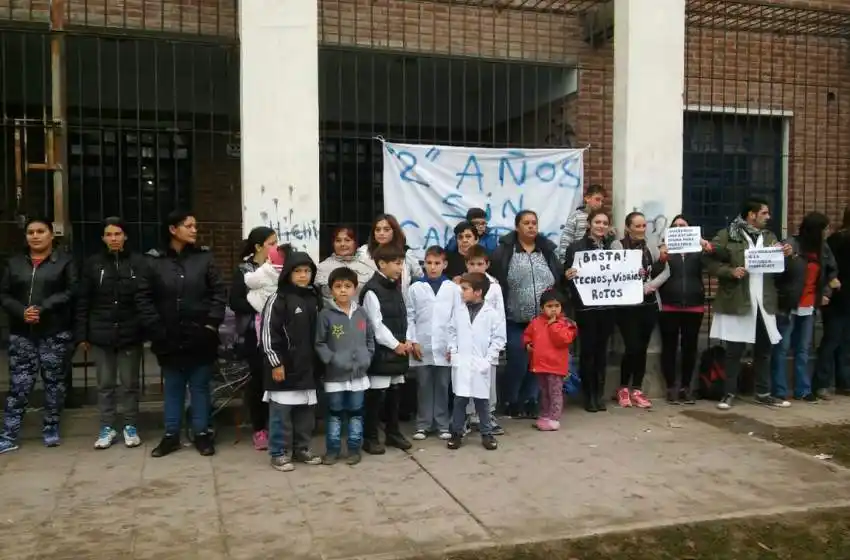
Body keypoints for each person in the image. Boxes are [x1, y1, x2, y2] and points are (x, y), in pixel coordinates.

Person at [136, 211, 226, 457]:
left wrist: (211, 325)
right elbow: (143, 298)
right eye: (189, 226)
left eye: (195, 225)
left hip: (201, 334)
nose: (194, 230)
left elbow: (219, 293)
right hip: (167, 335)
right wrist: (156, 329)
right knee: (173, 387)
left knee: (200, 387)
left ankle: (202, 434)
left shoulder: (204, 258)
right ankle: (171, 436)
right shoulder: (153, 261)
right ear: (173, 229)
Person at [705, 197, 793, 410]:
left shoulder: (769, 236)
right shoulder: (728, 235)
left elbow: (778, 267)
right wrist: (729, 271)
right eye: (764, 213)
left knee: (763, 349)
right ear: (751, 215)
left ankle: (763, 393)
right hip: (738, 299)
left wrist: (786, 255)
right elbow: (709, 260)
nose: (768, 217)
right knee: (734, 350)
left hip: (763, 301)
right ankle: (728, 393)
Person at [0, 218, 76, 454]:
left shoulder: (64, 262)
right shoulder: (14, 263)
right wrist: (21, 311)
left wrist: (42, 308)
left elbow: (71, 291)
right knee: (19, 386)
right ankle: (9, 435)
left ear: (51, 235)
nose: (35, 236)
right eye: (31, 232)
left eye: (40, 231)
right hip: (22, 333)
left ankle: (51, 428)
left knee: (54, 384)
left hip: (54, 332)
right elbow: (4, 294)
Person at [75, 217, 147, 450]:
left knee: (129, 384)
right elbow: (83, 300)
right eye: (109, 234)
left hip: (130, 332)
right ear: (103, 238)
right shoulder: (93, 264)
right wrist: (82, 334)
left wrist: (145, 328)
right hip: (101, 333)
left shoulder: (138, 263)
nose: (113, 238)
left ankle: (130, 425)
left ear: (125, 236)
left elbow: (144, 298)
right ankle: (107, 426)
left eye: (118, 234)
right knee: (105, 384)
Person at [491, 210, 562, 418]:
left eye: (534, 223)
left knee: (538, 361)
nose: (531, 226)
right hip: (515, 318)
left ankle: (531, 400)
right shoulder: (505, 252)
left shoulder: (547, 251)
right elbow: (494, 279)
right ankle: (510, 400)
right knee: (518, 360)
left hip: (542, 320)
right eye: (526, 223)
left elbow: (557, 278)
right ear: (517, 227)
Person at [260, 251, 324, 472]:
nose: (303, 275)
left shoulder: (315, 298)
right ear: (288, 273)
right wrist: (276, 363)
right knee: (281, 414)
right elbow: (268, 334)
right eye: (297, 271)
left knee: (305, 414)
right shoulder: (278, 299)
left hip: (308, 367)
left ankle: (301, 448)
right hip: (284, 367)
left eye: (307, 271)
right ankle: (278, 452)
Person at [228, 226, 285, 451]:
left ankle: (278, 426)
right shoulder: (244, 270)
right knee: (258, 381)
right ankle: (260, 428)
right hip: (254, 334)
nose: (276, 247)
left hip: (278, 331)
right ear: (258, 246)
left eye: (277, 242)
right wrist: (261, 305)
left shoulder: (278, 267)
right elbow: (235, 301)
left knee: (278, 378)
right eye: (271, 243)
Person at [771, 212, 838, 402]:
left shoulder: (823, 248)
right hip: (789, 303)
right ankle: (779, 389)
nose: (827, 232)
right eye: (825, 228)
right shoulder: (791, 244)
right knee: (782, 347)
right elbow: (776, 271)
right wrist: (784, 255)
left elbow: (831, 271)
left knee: (803, 349)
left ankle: (803, 389)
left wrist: (826, 293)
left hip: (809, 305)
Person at [314, 266, 374, 466]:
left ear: (355, 289)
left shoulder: (361, 313)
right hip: (335, 376)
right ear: (331, 289)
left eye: (347, 286)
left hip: (359, 376)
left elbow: (370, 338)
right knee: (335, 414)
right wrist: (333, 359)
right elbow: (320, 343)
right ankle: (332, 450)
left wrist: (367, 357)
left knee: (356, 413)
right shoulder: (325, 314)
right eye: (338, 286)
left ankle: (354, 449)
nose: (343, 290)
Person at [564, 209, 621, 413]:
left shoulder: (612, 247)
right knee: (588, 351)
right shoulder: (575, 248)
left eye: (605, 223)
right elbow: (566, 276)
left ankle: (599, 394)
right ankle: (588, 395)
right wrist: (568, 275)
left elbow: (622, 273)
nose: (601, 226)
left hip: (607, 307)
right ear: (589, 224)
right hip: (586, 308)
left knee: (602, 352)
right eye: (597, 222)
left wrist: (635, 273)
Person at [360, 244, 413, 454]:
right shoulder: (372, 290)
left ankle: (393, 432)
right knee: (376, 396)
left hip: (398, 350)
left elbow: (403, 317)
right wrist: (395, 345)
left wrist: (406, 341)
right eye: (397, 263)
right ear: (382, 263)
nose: (401, 268)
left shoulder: (395, 287)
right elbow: (376, 325)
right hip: (381, 352)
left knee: (395, 393)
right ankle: (370, 437)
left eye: (402, 263)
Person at [614, 211, 670, 409]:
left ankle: (637, 389)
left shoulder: (651, 246)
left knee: (642, 348)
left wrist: (650, 286)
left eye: (643, 226)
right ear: (628, 227)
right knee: (632, 346)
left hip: (648, 304)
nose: (641, 229)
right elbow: (613, 271)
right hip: (627, 306)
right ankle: (623, 387)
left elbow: (666, 270)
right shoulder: (618, 245)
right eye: (637, 226)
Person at [446, 273, 506, 451]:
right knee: (460, 400)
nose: (461, 292)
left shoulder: (491, 314)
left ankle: (487, 434)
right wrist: (453, 351)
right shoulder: (459, 311)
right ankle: (456, 433)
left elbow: (499, 339)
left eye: (465, 289)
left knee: (482, 402)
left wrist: (488, 359)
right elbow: (451, 331)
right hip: (462, 362)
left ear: (478, 292)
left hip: (481, 362)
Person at [657, 215, 713, 404]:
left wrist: (705, 246)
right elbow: (654, 272)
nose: (679, 228)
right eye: (675, 226)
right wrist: (662, 258)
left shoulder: (698, 251)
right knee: (669, 347)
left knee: (690, 348)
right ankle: (671, 386)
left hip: (693, 305)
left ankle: (686, 386)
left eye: (683, 225)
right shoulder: (664, 249)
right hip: (669, 305)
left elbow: (713, 263)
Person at [406, 246, 454, 441]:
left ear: (445, 264)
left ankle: (442, 424)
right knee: (424, 385)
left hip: (445, 345)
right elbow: (410, 316)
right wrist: (413, 340)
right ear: (424, 264)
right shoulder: (415, 288)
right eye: (429, 263)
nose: (433, 267)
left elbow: (456, 319)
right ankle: (423, 424)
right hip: (422, 345)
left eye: (437, 263)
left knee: (443, 385)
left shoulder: (452, 288)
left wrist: (453, 345)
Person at [463, 245, 506, 435]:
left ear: (487, 264)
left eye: (480, 264)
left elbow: (500, 316)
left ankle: (487, 415)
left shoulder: (494, 287)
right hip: (467, 342)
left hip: (488, 343)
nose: (476, 267)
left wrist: (499, 343)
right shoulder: (461, 286)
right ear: (466, 264)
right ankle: (468, 415)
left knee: (488, 380)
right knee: (466, 380)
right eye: (472, 264)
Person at [522, 290, 577, 431]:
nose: (553, 309)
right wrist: (528, 344)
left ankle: (554, 418)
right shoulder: (536, 322)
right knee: (544, 392)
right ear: (542, 308)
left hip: (556, 366)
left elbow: (563, 340)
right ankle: (545, 415)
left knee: (555, 393)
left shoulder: (565, 323)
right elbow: (527, 335)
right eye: (549, 306)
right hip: (540, 365)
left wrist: (553, 325)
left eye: (557, 306)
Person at [814, 205, 850, 398]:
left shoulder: (834, 239)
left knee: (843, 341)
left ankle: (843, 381)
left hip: (840, 297)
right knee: (833, 340)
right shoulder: (838, 240)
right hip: (837, 297)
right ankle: (822, 382)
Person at [357, 214, 423, 303]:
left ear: (394, 231)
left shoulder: (406, 252)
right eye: (378, 230)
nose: (381, 233)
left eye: (386, 229)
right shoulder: (364, 252)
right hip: (371, 303)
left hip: (400, 304)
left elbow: (419, 276)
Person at [315, 226, 374, 308]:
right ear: (333, 244)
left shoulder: (367, 266)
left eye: (347, 240)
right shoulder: (321, 268)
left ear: (355, 243)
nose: (342, 244)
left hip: (360, 314)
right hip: (330, 314)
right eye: (338, 240)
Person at [557, 183, 607, 262]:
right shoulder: (576, 216)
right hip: (578, 258)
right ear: (587, 198)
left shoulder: (603, 218)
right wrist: (565, 262)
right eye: (597, 199)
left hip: (597, 259)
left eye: (602, 201)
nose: (600, 203)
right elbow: (566, 240)